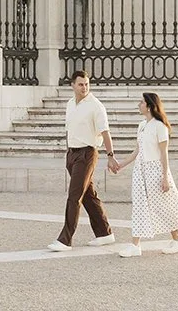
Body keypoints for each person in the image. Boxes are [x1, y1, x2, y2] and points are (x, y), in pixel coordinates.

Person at [111, 91, 178, 257]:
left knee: (163, 206)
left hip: (155, 170)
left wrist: (165, 177)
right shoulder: (142, 125)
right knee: (139, 207)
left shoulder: (160, 126)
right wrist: (121, 165)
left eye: (141, 102)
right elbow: (138, 151)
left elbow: (164, 153)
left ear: (149, 106)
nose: (138, 105)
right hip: (140, 171)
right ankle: (135, 245)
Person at [47, 70, 118, 252]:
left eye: (87, 84)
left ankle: (65, 239)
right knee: (88, 195)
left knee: (74, 196)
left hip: (87, 154)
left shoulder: (96, 106)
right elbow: (69, 129)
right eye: (80, 84)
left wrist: (110, 156)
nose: (84, 87)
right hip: (72, 153)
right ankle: (104, 233)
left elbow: (105, 132)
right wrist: (68, 152)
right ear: (73, 85)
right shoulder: (71, 103)